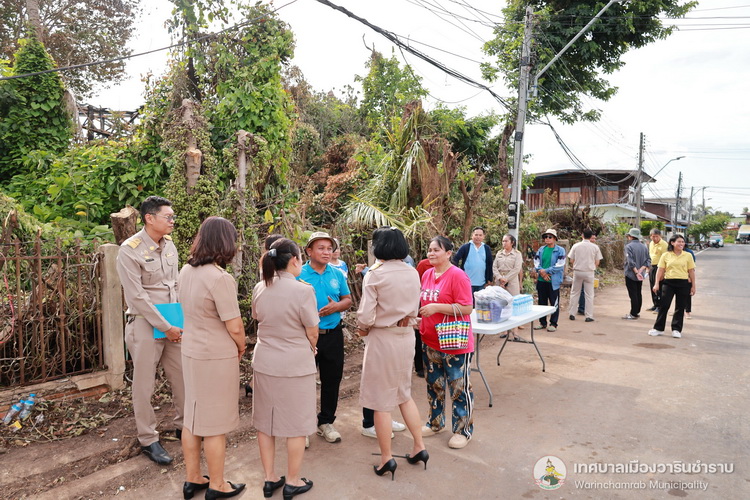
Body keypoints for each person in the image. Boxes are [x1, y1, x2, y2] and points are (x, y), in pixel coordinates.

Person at [178, 217, 246, 499]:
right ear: (226, 242)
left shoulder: (185, 271)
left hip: (191, 350)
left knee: (193, 417)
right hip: (215, 355)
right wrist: (241, 347)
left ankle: (193, 478)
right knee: (216, 424)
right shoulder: (220, 278)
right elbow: (235, 326)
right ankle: (217, 484)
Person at [116, 196, 184, 466]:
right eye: (168, 216)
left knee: (182, 378)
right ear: (149, 218)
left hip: (174, 324)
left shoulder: (170, 245)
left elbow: (175, 285)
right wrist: (165, 327)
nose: (172, 221)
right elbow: (137, 297)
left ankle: (185, 427)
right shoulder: (129, 250)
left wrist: (179, 322)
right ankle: (148, 439)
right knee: (144, 386)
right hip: (145, 324)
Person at [356, 227, 427, 480]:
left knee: (380, 402)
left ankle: (386, 458)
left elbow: (366, 316)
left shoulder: (375, 275)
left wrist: (362, 329)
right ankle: (419, 446)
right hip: (407, 336)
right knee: (404, 394)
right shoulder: (412, 272)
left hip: (383, 339)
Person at [252, 238, 319, 500]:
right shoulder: (303, 291)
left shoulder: (260, 286)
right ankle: (292, 481)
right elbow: (312, 330)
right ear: (294, 260)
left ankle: (269, 478)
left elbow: (258, 317)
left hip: (265, 362)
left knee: (265, 422)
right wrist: (312, 346)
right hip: (295, 364)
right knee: (296, 424)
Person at [419, 236, 474, 450]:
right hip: (430, 339)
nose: (431, 253)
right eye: (429, 249)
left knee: (459, 388)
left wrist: (437, 308)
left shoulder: (458, 276)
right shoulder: (427, 274)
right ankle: (435, 423)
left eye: (436, 250)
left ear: (449, 253)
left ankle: (463, 431)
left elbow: (467, 307)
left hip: (454, 342)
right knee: (434, 385)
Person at [298, 231, 352, 443]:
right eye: (321, 248)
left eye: (329, 248)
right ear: (309, 251)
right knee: (304, 382)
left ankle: (326, 422)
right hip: (305, 337)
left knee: (332, 379)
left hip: (333, 334)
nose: (326, 252)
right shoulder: (298, 274)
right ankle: (302, 428)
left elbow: (347, 299)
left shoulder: (337, 274)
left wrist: (336, 306)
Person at [649, 234, 696, 338]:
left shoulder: (688, 255)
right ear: (672, 243)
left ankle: (676, 329)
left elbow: (691, 271)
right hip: (668, 283)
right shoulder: (665, 255)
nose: (681, 244)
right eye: (679, 242)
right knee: (664, 305)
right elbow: (660, 270)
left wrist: (693, 286)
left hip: (683, 283)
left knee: (680, 307)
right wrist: (656, 284)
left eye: (682, 242)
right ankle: (658, 328)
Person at [533, 229, 566, 332]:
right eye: (545, 237)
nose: (547, 239)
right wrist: (542, 272)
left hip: (553, 281)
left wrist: (546, 271)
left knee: (554, 302)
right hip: (541, 280)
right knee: (542, 302)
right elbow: (536, 262)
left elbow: (560, 265)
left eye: (550, 237)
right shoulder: (541, 249)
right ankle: (542, 323)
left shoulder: (560, 250)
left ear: (555, 238)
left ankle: (553, 323)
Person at [567, 228, 603, 322]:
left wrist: (577, 264)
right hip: (589, 272)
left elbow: (571, 260)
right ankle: (589, 316)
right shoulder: (595, 247)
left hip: (578, 271)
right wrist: (592, 266)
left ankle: (572, 313)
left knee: (575, 292)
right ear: (591, 236)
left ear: (582, 235)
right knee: (589, 294)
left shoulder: (576, 246)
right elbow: (597, 262)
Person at [452, 227, 493, 295]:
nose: (478, 237)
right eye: (476, 235)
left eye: (480, 235)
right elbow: (455, 259)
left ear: (483, 236)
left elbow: (489, 264)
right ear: (472, 235)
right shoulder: (465, 247)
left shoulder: (486, 248)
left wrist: (489, 279)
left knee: (479, 300)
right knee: (468, 300)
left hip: (482, 283)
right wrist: (458, 273)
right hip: (467, 282)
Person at [622, 228, 651, 320]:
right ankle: (637, 311)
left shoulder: (628, 247)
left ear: (630, 237)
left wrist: (636, 272)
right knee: (638, 292)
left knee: (633, 294)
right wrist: (640, 270)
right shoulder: (644, 247)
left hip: (631, 273)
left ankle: (633, 313)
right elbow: (648, 260)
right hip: (641, 274)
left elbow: (630, 262)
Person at [647, 228, 668, 313]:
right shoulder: (651, 243)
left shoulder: (664, 244)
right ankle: (655, 304)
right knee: (652, 286)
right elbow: (650, 255)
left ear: (660, 236)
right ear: (650, 236)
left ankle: (660, 306)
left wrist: (663, 272)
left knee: (659, 286)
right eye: (653, 236)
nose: (655, 238)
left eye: (656, 236)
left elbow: (666, 259)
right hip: (652, 267)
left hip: (660, 268)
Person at [684, 247, 696, 319]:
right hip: (676, 277)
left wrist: (689, 277)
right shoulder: (671, 253)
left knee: (688, 295)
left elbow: (691, 268)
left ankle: (687, 311)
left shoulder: (689, 253)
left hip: (687, 277)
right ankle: (678, 310)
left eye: (682, 242)